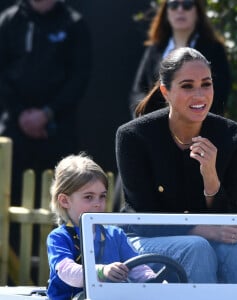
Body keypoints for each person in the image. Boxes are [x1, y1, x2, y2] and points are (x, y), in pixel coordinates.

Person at [116, 47, 237, 283]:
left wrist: (211, 177)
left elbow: (229, 217)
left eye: (206, 84)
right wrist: (202, 230)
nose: (200, 95)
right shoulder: (134, 136)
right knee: (197, 247)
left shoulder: (234, 137)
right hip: (144, 241)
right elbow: (141, 219)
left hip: (205, 241)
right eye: (187, 86)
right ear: (166, 91)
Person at [0, 0, 91, 208]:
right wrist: (20, 113)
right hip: (15, 127)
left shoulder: (74, 23)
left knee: (60, 198)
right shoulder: (9, 21)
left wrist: (47, 114)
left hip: (57, 129)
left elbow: (79, 78)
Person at [47, 154, 156, 300]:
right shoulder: (59, 237)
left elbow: (138, 268)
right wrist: (101, 272)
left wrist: (155, 282)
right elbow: (67, 272)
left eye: (102, 196)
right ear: (65, 201)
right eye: (88, 197)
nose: (98, 203)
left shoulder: (115, 234)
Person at [129, 0, 231, 117]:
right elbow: (138, 90)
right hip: (156, 127)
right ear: (166, 12)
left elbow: (220, 93)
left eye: (187, 5)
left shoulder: (214, 49)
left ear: (197, 11)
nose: (180, 10)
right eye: (173, 5)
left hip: (199, 126)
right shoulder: (155, 49)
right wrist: (143, 118)